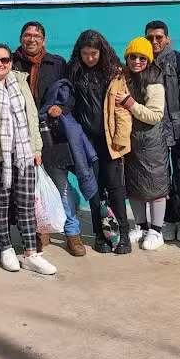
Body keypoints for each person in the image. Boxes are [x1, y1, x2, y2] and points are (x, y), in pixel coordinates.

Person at [0, 44, 57, 275]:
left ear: (11, 62)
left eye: (4, 60)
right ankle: (6, 248)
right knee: (2, 203)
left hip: (23, 153)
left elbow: (31, 115)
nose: (0, 64)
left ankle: (31, 253)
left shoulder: (20, 82)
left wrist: (36, 147)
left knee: (26, 204)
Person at [12, 21, 83, 256]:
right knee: (30, 187)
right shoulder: (10, 63)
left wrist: (62, 108)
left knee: (60, 182)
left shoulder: (57, 63)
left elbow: (70, 94)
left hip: (52, 133)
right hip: (22, 134)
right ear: (21, 38)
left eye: (37, 35)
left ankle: (72, 233)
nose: (31, 39)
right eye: (27, 35)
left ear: (43, 40)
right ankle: (40, 231)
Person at [68, 30, 133, 255]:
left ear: (101, 51)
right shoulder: (73, 71)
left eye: (93, 53)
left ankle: (123, 233)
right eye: (85, 53)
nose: (89, 58)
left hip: (110, 139)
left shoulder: (114, 72)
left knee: (115, 187)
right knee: (93, 188)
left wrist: (121, 138)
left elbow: (122, 110)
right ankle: (101, 233)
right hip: (86, 141)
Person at [144, 20, 180, 243]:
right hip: (152, 131)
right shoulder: (142, 60)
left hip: (179, 130)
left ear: (167, 38)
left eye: (159, 37)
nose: (154, 41)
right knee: (160, 179)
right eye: (150, 38)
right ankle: (166, 221)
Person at [116, 38, 169, 251]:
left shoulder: (154, 80)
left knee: (155, 187)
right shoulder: (122, 77)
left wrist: (130, 103)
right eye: (133, 57)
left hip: (151, 143)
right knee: (134, 186)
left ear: (148, 60)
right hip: (131, 141)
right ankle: (140, 226)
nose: (137, 61)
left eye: (142, 58)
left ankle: (156, 231)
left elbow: (155, 115)